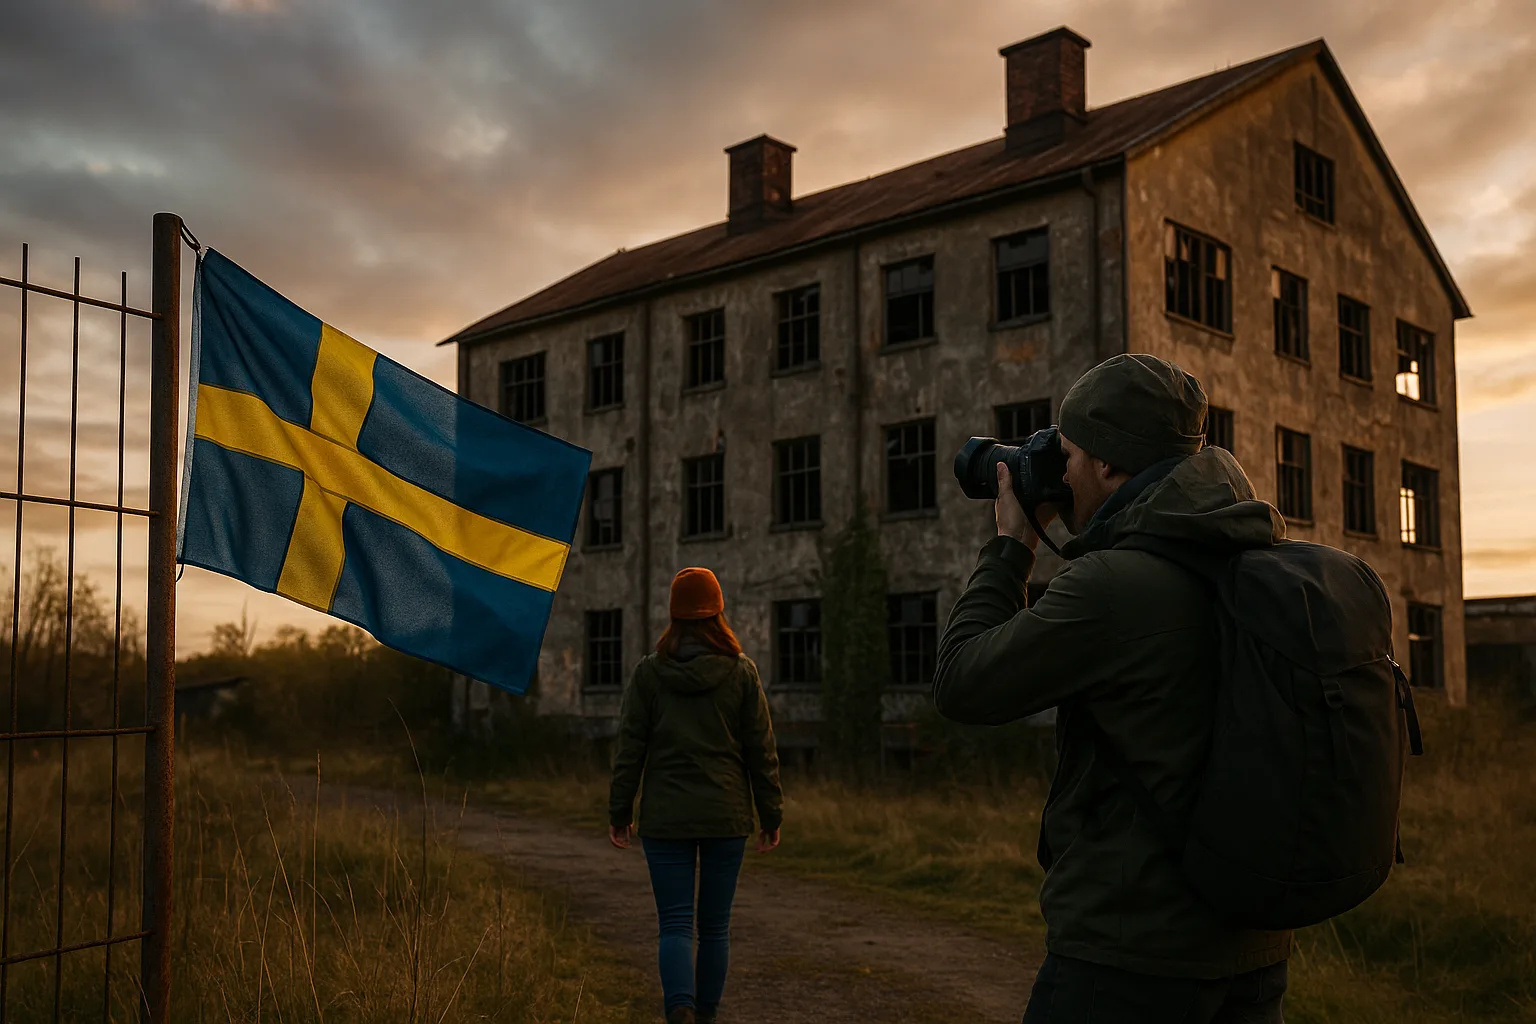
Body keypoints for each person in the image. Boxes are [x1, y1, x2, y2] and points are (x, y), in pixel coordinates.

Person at [932, 354, 1293, 1023]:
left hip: (1128, 957)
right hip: (1253, 950)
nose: (1058, 473)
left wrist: (1012, 545)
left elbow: (961, 683)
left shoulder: (1114, 585)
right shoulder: (1251, 553)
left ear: (1106, 465)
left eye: (1065, 455)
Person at [608, 566, 784, 1024]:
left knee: (675, 923)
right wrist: (771, 814)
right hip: (726, 815)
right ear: (718, 613)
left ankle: (679, 1009)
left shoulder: (649, 674)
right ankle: (705, 1015)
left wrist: (620, 811)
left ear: (674, 616)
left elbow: (630, 748)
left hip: (666, 817)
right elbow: (761, 751)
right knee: (714, 928)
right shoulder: (742, 673)